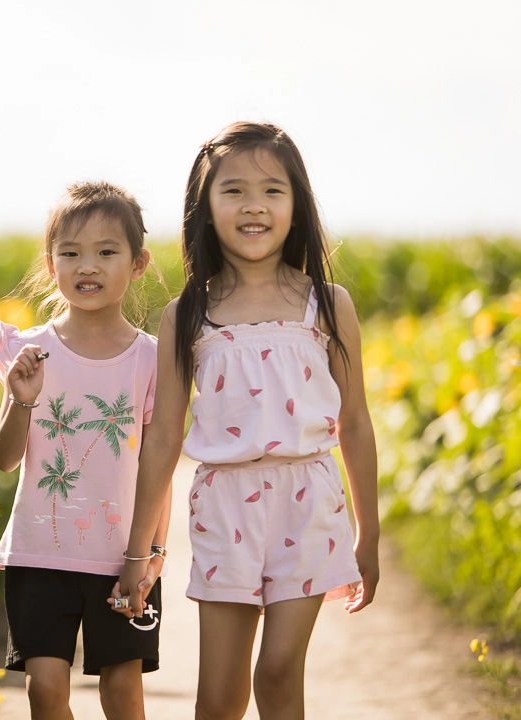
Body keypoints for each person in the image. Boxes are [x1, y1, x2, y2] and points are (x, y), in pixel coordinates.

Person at [114, 122, 380, 720]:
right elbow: (162, 441)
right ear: (205, 208)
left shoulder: (328, 304)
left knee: (280, 671)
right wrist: (137, 554)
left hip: (309, 500)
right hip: (225, 505)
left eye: (272, 190)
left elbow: (356, 423)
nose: (253, 204)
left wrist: (371, 532)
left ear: (297, 205)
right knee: (219, 699)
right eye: (233, 190)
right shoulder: (187, 314)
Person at [0, 180, 173, 720]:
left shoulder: (151, 361)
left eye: (106, 252)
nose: (86, 266)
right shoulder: (30, 352)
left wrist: (152, 557)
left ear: (137, 264)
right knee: (45, 693)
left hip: (122, 558)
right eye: (70, 253)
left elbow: (157, 468)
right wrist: (21, 401)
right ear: (51, 266)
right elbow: (4, 459)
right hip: (40, 553)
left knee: (123, 696)